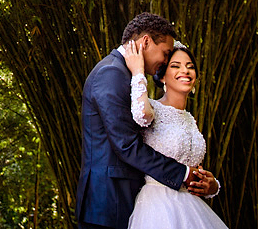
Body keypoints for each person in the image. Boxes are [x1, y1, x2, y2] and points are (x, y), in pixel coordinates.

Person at [76, 13, 218, 229]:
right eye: (166, 53)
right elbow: (127, 145)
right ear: (145, 42)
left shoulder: (125, 73)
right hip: (107, 202)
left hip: (129, 201)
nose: (164, 60)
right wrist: (183, 174)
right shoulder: (111, 74)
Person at [124, 38, 228, 229]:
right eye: (176, 66)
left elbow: (194, 170)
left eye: (189, 66)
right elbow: (142, 115)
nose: (185, 71)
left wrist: (212, 186)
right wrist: (138, 72)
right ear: (162, 76)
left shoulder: (190, 119)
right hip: (157, 208)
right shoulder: (152, 109)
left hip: (191, 209)